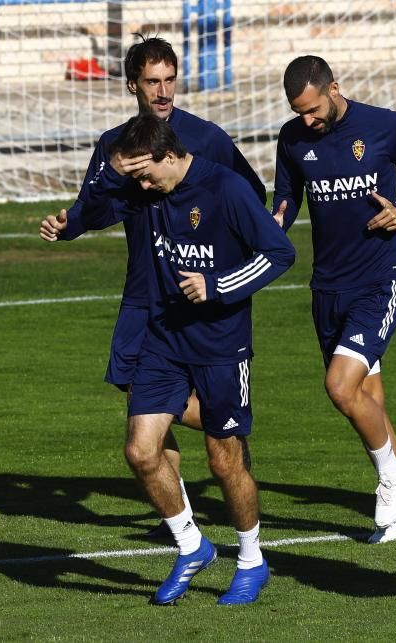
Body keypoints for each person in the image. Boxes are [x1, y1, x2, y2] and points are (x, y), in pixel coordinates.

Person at [39, 35, 270, 537]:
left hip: (193, 292)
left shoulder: (206, 137)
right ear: (132, 86)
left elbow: (251, 196)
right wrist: (69, 225)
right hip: (142, 295)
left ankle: (228, 437)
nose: (163, 91)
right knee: (140, 398)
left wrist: (222, 264)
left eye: (170, 80)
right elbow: (93, 210)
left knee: (168, 412)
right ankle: (187, 505)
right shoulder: (114, 144)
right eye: (152, 82)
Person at [93, 114, 295, 604]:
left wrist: (219, 285)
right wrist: (113, 169)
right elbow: (95, 207)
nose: (141, 186)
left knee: (224, 461)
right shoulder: (150, 189)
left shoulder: (225, 188)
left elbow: (280, 253)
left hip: (221, 346)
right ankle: (191, 544)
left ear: (169, 155)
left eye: (145, 174)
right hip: (164, 339)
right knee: (141, 450)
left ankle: (251, 559)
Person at [270, 55, 396, 543]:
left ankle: (392, 479)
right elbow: (286, 200)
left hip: (378, 281)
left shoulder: (385, 125)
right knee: (366, 400)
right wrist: (270, 226)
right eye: (298, 112)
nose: (308, 120)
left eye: (313, 109)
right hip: (326, 287)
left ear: (334, 88)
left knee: (340, 386)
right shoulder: (292, 137)